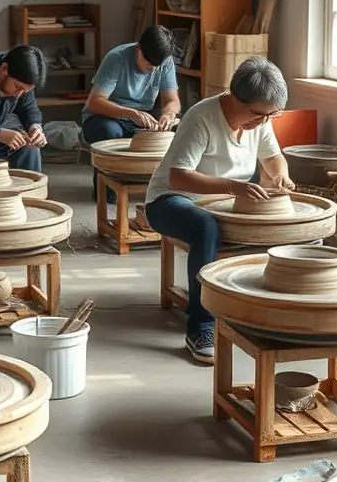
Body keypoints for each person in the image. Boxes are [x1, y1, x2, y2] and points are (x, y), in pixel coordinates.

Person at [145, 57, 293, 365]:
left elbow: (274, 157)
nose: (262, 122)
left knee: (293, 226)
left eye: (270, 116)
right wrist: (233, 187)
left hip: (222, 202)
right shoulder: (202, 117)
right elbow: (178, 176)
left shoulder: (259, 121)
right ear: (234, 96)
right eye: (257, 114)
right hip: (172, 199)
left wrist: (280, 175)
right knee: (206, 227)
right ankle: (201, 325)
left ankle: (276, 311)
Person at [82, 25, 180, 197]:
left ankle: (162, 191)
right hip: (106, 116)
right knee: (109, 131)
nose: (154, 69)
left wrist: (168, 114)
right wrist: (131, 113)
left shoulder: (165, 62)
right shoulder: (117, 58)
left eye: (158, 65)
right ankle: (108, 191)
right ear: (138, 48)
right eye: (149, 64)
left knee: (182, 129)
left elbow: (172, 101)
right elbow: (95, 102)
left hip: (140, 120)